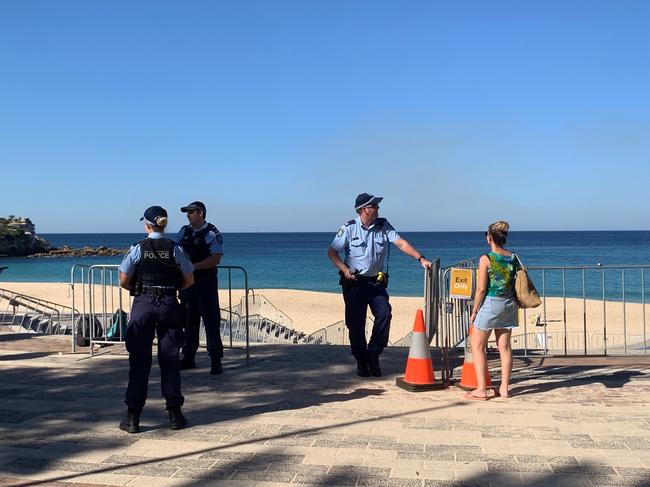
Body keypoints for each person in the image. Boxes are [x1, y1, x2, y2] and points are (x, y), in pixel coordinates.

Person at [328, 193, 432, 377]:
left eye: (376, 205)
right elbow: (332, 252)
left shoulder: (383, 226)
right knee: (355, 323)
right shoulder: (349, 228)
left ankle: (374, 354)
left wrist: (420, 258)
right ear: (363, 210)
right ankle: (362, 360)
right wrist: (345, 269)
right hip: (354, 283)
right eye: (374, 206)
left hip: (375, 283)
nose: (377, 208)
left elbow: (400, 243)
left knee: (384, 314)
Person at [118, 206, 195, 433]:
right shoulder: (175, 248)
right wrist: (171, 289)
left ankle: (133, 417)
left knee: (139, 360)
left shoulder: (139, 248)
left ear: (147, 225)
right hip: (169, 304)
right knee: (170, 358)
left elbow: (123, 279)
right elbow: (190, 279)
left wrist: (140, 290)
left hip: (144, 303)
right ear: (165, 224)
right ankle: (175, 414)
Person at [467, 221, 519, 400]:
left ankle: (482, 389)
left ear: (490, 238)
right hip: (510, 304)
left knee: (477, 346)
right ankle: (504, 388)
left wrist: (474, 312)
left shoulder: (486, 259)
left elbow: (481, 289)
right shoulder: (513, 257)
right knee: (504, 347)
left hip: (491, 304)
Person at [176, 201, 224, 375]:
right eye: (187, 212)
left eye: (191, 212)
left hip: (206, 285)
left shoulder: (212, 233)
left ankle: (216, 360)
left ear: (201, 213)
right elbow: (177, 252)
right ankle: (188, 357)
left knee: (211, 322)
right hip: (187, 285)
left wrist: (193, 267)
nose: (188, 215)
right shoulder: (184, 232)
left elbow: (216, 258)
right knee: (188, 321)